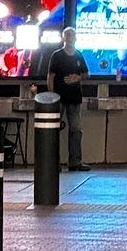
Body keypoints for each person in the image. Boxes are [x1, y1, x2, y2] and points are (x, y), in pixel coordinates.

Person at [47, 27, 90, 171]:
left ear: (75, 38)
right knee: (54, 130)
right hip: (59, 98)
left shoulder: (79, 55)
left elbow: (86, 74)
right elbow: (51, 76)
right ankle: (54, 162)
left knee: (76, 130)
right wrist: (52, 96)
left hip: (75, 98)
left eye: (72, 35)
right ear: (63, 38)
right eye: (67, 36)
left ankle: (75, 162)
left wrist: (77, 78)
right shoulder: (57, 55)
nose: (70, 38)